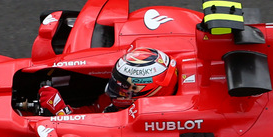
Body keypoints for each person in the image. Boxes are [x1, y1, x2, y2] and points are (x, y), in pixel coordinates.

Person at [38, 48, 178, 115]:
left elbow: (94, 127)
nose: (115, 88)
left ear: (144, 91)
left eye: (123, 87)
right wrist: (65, 110)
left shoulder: (145, 119)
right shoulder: (118, 101)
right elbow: (96, 109)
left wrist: (61, 112)